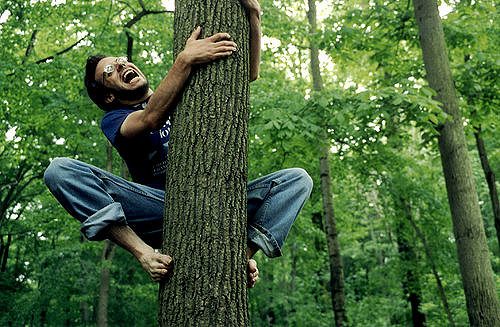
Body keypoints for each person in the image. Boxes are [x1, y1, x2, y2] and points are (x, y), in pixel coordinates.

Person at [44, 0, 312, 288]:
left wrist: (254, 18)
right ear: (108, 96)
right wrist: (185, 59)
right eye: (110, 69)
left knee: (297, 180)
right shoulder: (115, 118)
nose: (122, 64)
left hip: (222, 199)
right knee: (59, 171)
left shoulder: (178, 92)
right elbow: (150, 118)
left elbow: (246, 75)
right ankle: (144, 253)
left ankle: (242, 256)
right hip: (161, 207)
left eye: (121, 59)